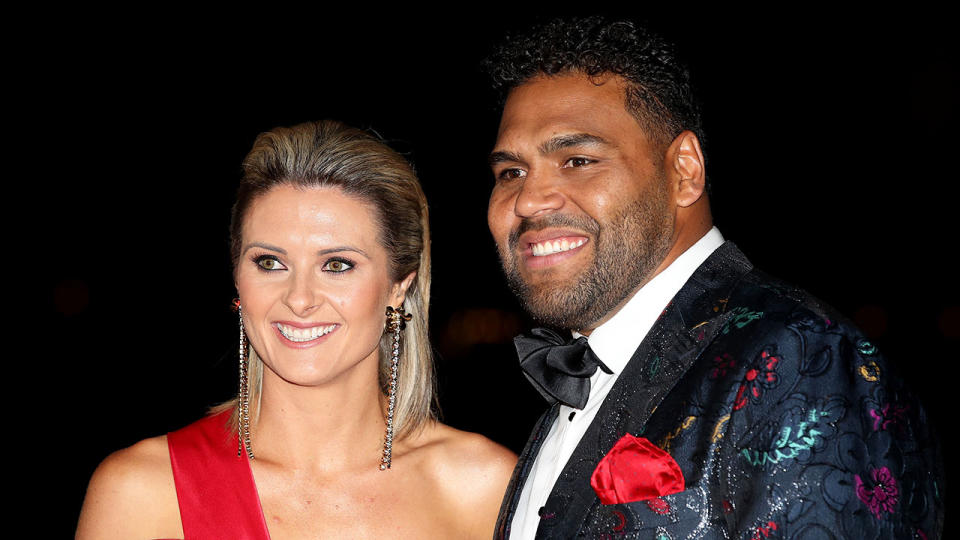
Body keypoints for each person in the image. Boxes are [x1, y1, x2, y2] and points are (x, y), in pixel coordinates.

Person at [484, 17, 944, 539]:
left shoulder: (801, 357)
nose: (526, 201)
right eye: (511, 173)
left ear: (684, 170)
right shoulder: (577, 383)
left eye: (578, 160)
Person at [76, 120, 515, 539]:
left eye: (337, 265)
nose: (299, 298)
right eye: (270, 263)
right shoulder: (143, 491)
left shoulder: (483, 488)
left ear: (399, 286)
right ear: (237, 279)